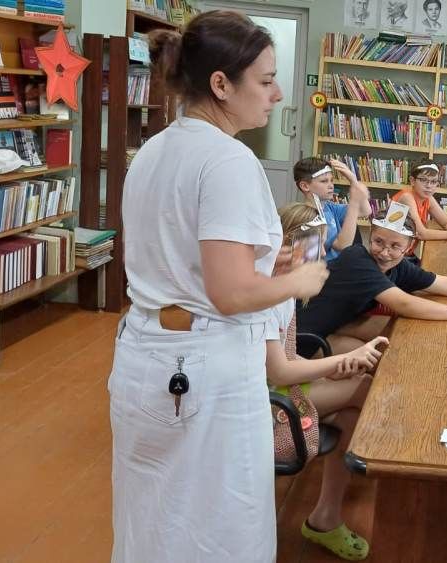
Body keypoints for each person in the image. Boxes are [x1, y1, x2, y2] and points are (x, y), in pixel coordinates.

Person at [111, 11, 328, 562]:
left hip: (147, 352)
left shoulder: (156, 148)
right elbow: (229, 294)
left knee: (152, 516)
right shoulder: (229, 160)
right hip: (204, 367)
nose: (277, 94)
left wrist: (265, 268)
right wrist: (297, 279)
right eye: (266, 80)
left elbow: (182, 260)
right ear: (221, 85)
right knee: (220, 525)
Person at [266, 203, 388, 560]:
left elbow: (286, 358)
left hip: (281, 386)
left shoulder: (283, 292)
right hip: (267, 400)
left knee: (352, 411)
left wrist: (330, 369)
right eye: (314, 245)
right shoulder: (271, 296)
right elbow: (278, 373)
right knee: (366, 389)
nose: (322, 254)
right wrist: (335, 363)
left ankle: (325, 517)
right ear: (287, 246)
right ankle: (384, 477)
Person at [296, 206, 447, 355]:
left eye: (395, 246)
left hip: (336, 326)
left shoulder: (398, 265)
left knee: (397, 342)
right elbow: (405, 304)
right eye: (378, 242)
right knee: (384, 360)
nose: (384, 252)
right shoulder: (358, 259)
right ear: (370, 236)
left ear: (409, 247)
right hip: (303, 340)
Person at [393, 159, 447, 257]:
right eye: (423, 180)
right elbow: (421, 233)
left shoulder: (428, 198)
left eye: (433, 181)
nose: (429, 186)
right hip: (390, 256)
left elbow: (446, 223)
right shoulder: (406, 197)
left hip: (403, 255)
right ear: (412, 181)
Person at [294, 157, 371, 261]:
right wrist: (354, 202)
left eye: (331, 180)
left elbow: (365, 211)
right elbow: (342, 245)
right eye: (324, 181)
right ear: (305, 186)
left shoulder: (330, 207)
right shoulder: (306, 216)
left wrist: (353, 180)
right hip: (323, 269)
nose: (331, 186)